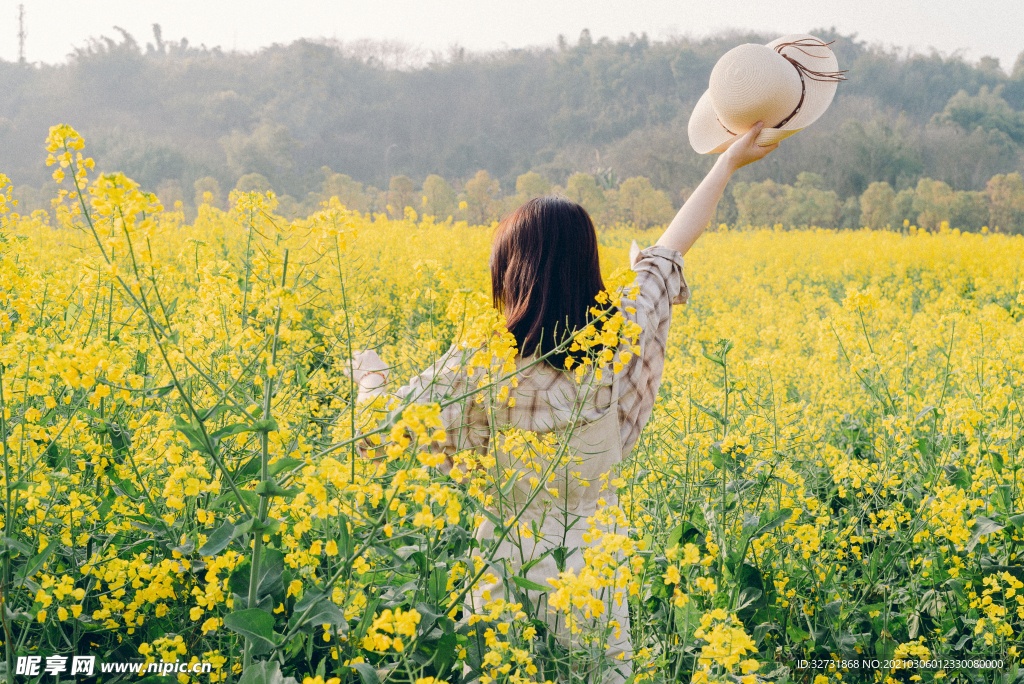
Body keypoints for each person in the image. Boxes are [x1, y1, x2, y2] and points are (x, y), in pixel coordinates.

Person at [349, 121, 776, 683]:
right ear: (588, 268)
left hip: (506, 569)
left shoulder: (478, 361)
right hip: (594, 570)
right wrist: (727, 162)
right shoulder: (618, 332)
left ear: (510, 270)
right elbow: (670, 249)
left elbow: (374, 436)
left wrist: (370, 374)